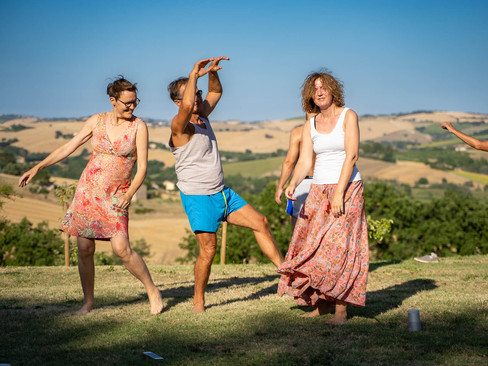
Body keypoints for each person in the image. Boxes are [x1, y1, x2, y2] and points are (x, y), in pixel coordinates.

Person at [18, 78, 164, 315]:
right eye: (127, 103)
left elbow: (143, 167)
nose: (132, 107)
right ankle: (88, 302)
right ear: (113, 101)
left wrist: (130, 193)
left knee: (121, 249)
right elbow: (69, 147)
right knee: (85, 248)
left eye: (135, 102)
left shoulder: (139, 126)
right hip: (88, 193)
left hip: (117, 195)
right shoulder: (96, 121)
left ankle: (152, 290)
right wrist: (38, 167)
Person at [168, 57, 284, 313]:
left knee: (261, 222)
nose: (197, 98)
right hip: (198, 197)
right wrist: (193, 74)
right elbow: (188, 106)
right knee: (208, 251)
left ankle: (286, 276)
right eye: (192, 95)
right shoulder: (180, 127)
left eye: (197, 94)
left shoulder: (203, 118)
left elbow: (216, 91)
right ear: (178, 102)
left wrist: (211, 73)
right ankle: (198, 301)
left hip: (223, 193)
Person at [277, 71, 369, 325]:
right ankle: (322, 305)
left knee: (340, 249)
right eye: (314, 89)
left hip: (347, 187)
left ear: (332, 90)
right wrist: (292, 184)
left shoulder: (348, 116)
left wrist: (339, 192)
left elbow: (351, 156)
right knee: (316, 248)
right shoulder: (310, 125)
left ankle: (341, 311)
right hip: (317, 189)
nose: (319, 92)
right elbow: (305, 160)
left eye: (323, 87)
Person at [275, 113, 316, 230]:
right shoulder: (329, 131)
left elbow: (289, 162)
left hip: (301, 183)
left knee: (298, 234)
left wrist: (280, 186)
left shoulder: (298, 132)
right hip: (325, 182)